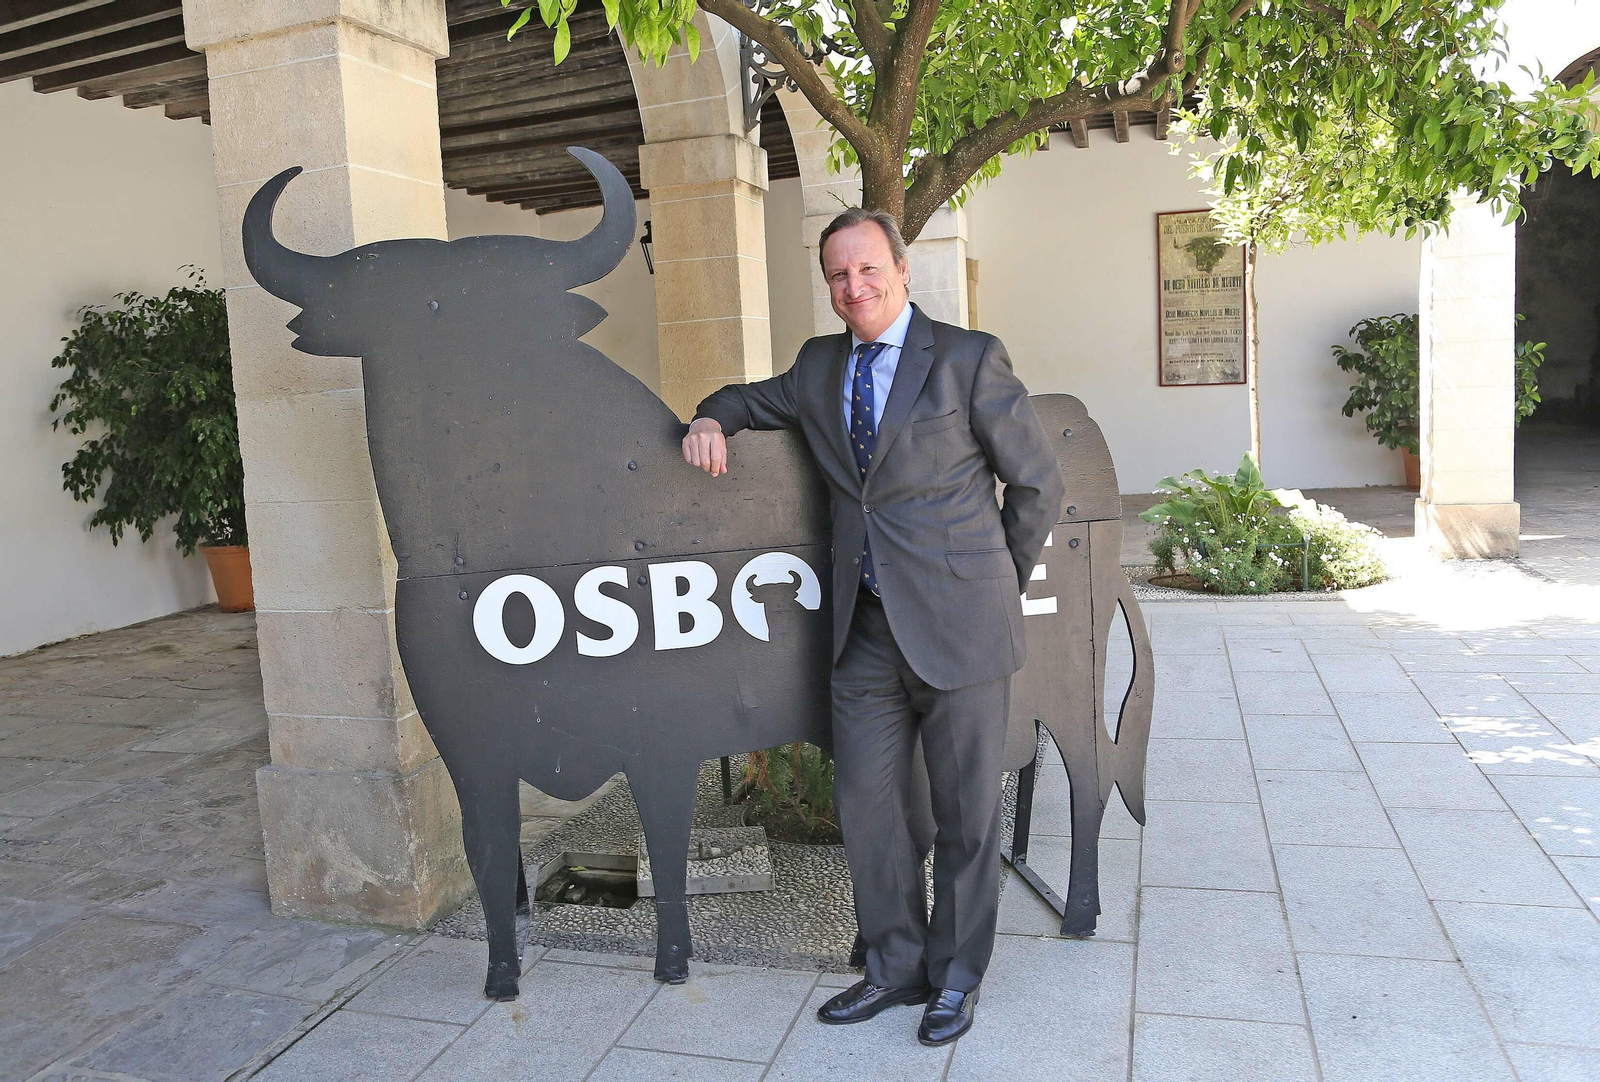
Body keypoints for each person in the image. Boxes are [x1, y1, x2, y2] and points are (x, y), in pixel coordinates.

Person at [681, 207, 1064, 1046]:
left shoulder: (967, 358)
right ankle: (892, 966)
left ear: (900, 268)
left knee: (966, 816)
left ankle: (955, 980)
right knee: (869, 807)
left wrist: (991, 579)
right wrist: (710, 418)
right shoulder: (821, 367)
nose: (853, 287)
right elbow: (745, 399)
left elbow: (1036, 485)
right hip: (864, 634)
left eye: (865, 269)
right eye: (837, 276)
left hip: (962, 630)